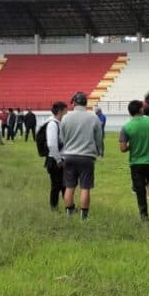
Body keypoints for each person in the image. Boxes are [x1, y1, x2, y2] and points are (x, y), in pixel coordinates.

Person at [58, 92, 104, 220]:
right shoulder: (93, 118)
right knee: (85, 187)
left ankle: (69, 213)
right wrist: (99, 151)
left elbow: (62, 137)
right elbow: (99, 138)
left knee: (69, 186)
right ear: (86, 103)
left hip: (69, 156)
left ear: (74, 103)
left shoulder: (66, 117)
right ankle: (83, 216)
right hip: (87, 157)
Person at [44, 101, 67, 211]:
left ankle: (68, 206)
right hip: (55, 159)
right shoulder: (53, 124)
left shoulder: (58, 123)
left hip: (59, 158)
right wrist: (58, 160)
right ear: (60, 111)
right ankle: (54, 207)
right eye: (65, 111)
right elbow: (52, 144)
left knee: (64, 185)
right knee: (56, 185)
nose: (66, 113)